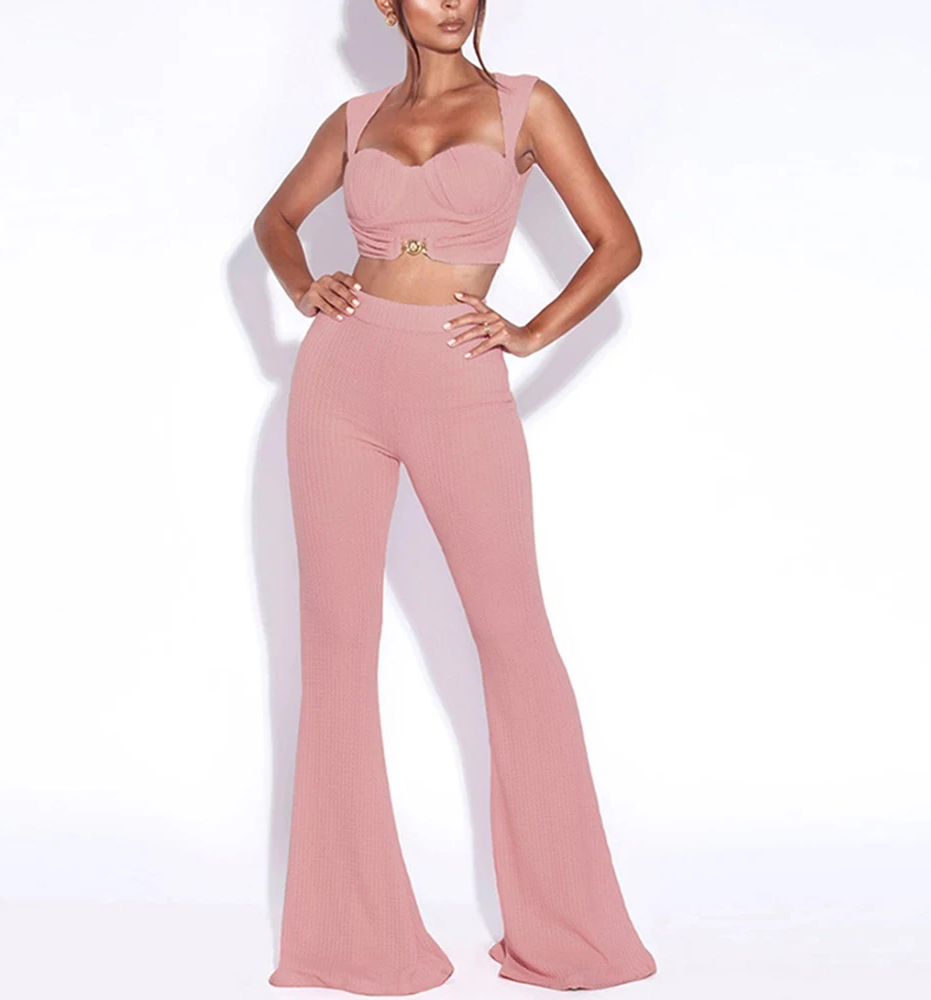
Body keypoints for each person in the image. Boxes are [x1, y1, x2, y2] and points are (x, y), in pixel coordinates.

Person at [253, 0, 656, 993]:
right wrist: (303, 285)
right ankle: (352, 938)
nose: (451, 3)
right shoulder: (356, 120)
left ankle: (570, 934)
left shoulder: (526, 106)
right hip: (337, 381)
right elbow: (273, 221)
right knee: (336, 644)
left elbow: (617, 242)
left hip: (457, 379)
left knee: (513, 636)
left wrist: (530, 330)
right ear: (386, 6)